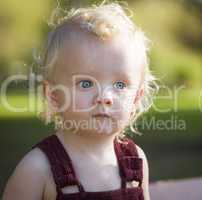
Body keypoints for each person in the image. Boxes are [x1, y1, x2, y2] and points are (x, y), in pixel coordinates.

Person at [2, 2, 157, 200]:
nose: (105, 97)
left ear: (136, 98)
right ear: (54, 96)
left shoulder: (136, 161)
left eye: (120, 85)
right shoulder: (37, 170)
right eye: (85, 84)